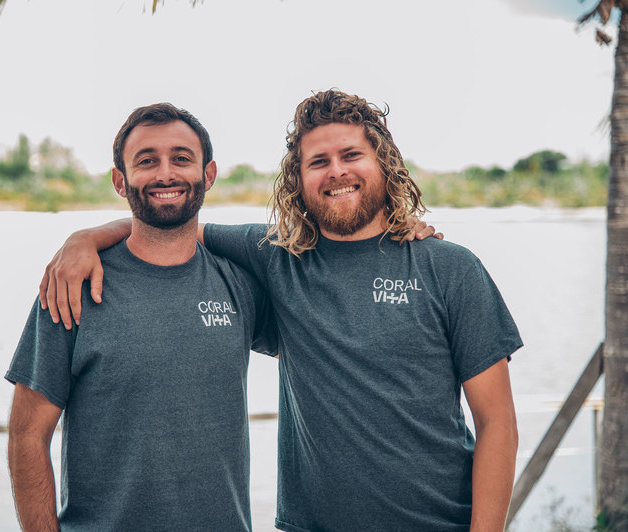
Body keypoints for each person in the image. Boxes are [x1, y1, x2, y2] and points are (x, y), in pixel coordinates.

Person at [40, 90, 520, 531]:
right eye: (319, 161)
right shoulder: (275, 256)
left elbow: (496, 422)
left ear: (384, 163)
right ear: (299, 178)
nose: (337, 171)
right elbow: (172, 222)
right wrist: (85, 238)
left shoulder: (449, 267)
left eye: (351, 155)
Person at [6, 103, 279, 531]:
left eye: (181, 158)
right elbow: (27, 435)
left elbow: (323, 325)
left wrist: (401, 234)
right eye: (146, 161)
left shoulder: (240, 284)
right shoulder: (71, 285)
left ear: (208, 174)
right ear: (120, 181)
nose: (165, 174)